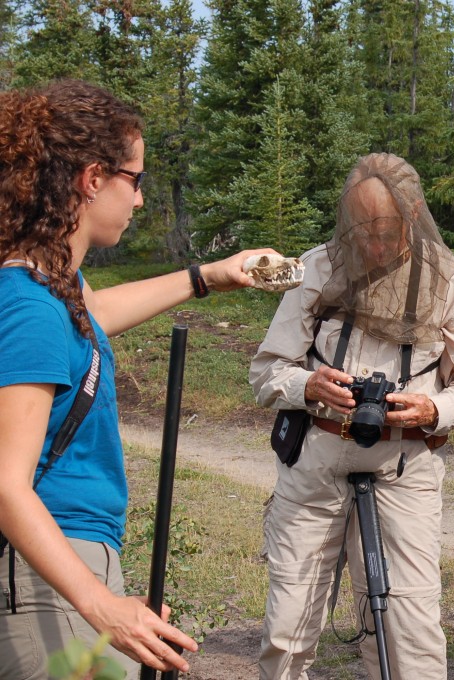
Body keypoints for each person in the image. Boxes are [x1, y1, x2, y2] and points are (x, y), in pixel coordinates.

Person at [0, 80, 275, 678]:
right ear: (92, 178)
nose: (141, 201)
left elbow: (93, 317)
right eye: (136, 180)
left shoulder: (50, 292)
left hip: (63, 568)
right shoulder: (31, 305)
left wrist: (210, 277)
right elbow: (5, 482)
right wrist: (103, 606)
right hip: (47, 574)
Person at [251, 153, 454, 680]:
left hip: (403, 469)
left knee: (409, 634)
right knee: (287, 626)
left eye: (385, 230)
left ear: (414, 213)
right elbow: (267, 369)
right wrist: (307, 384)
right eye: (361, 229)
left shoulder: (452, 280)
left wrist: (434, 408)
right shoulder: (319, 265)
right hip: (314, 466)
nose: (372, 244)